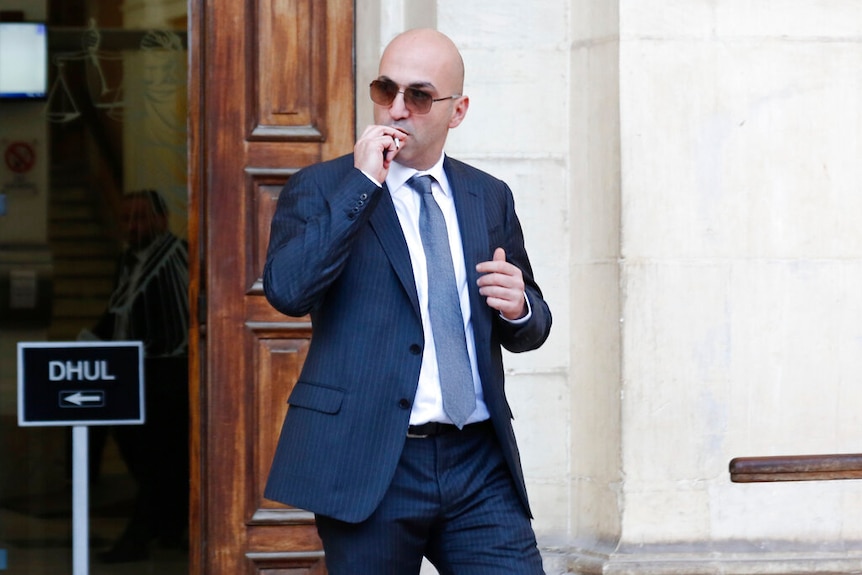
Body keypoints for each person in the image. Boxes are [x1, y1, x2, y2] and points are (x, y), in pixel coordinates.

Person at [263, 28, 552, 574]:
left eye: (418, 96)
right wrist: (363, 185)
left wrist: (521, 307)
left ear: (457, 110)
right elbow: (288, 291)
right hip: (370, 460)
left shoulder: (487, 195)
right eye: (384, 89)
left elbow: (529, 321)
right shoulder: (323, 188)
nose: (396, 109)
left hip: (477, 463)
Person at [88, 189, 190, 563]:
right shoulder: (128, 260)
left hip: (167, 376)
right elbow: (118, 312)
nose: (132, 225)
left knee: (159, 460)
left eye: (141, 217)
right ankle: (168, 525)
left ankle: (140, 535)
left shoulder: (176, 256)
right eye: (126, 217)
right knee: (140, 454)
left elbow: (180, 319)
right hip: (130, 374)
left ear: (161, 220)